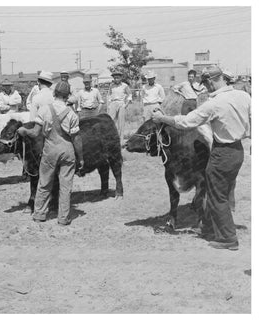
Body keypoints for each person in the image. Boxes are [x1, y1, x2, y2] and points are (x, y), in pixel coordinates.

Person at [152, 65, 251, 250]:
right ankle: (209, 228)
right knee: (224, 190)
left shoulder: (214, 103)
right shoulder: (244, 96)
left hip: (222, 152)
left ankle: (227, 238)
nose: (205, 87)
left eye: (205, 83)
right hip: (238, 151)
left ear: (212, 81)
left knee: (216, 196)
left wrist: (163, 118)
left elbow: (187, 121)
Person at [17, 82, 84, 226]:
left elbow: (35, 133)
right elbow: (76, 139)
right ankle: (63, 218)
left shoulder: (44, 110)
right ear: (67, 96)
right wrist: (81, 157)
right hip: (67, 149)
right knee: (65, 186)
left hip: (50, 148)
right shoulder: (72, 114)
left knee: (44, 182)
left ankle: (39, 214)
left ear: (54, 94)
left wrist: (24, 131)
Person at [106, 71, 132, 147]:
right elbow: (109, 95)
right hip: (113, 103)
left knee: (121, 122)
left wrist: (126, 104)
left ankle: (121, 140)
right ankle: (111, 139)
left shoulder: (124, 86)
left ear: (121, 78)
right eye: (115, 78)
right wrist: (109, 105)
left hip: (121, 103)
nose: (116, 79)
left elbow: (129, 94)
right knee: (110, 121)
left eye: (118, 77)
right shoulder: (111, 86)